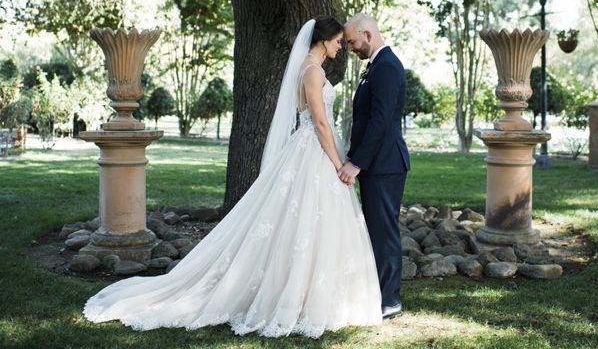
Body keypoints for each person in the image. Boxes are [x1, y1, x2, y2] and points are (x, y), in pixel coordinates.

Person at [83, 17, 382, 338]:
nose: (340, 46)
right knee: (308, 220)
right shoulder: (312, 71)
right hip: (315, 151)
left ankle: (311, 291)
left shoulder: (311, 69)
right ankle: (299, 294)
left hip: (313, 150)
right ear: (323, 41)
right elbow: (321, 124)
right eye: (338, 41)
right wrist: (338, 162)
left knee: (312, 223)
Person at [339, 13, 410, 320]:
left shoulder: (388, 67)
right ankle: (378, 292)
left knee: (384, 231)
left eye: (352, 41)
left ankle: (390, 299)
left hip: (385, 163)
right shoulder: (377, 67)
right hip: (377, 164)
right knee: (376, 230)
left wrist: (356, 163)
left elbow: (380, 121)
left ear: (367, 34)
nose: (350, 48)